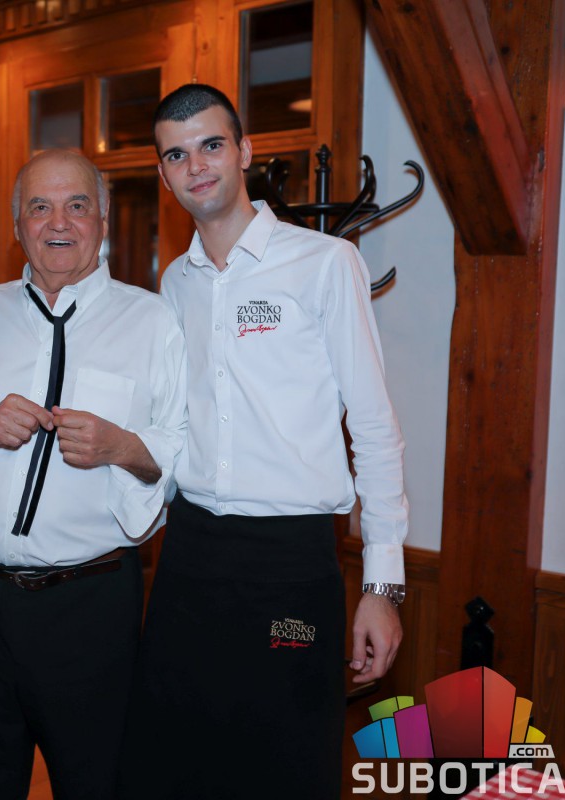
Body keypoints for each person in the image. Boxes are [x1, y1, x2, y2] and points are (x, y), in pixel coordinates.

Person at [119, 84, 408, 799]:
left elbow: (374, 426)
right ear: (163, 174)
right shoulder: (174, 283)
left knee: (285, 764)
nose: (196, 166)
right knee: (174, 761)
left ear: (245, 151)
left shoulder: (325, 263)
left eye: (212, 145)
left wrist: (382, 585)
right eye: (176, 155)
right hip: (190, 556)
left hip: (290, 562)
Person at [0, 149, 186, 799]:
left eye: (76, 205)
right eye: (40, 207)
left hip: (90, 607)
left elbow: (182, 455)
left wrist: (122, 446)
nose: (59, 222)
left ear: (103, 220)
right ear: (17, 225)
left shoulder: (153, 322)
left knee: (97, 782)